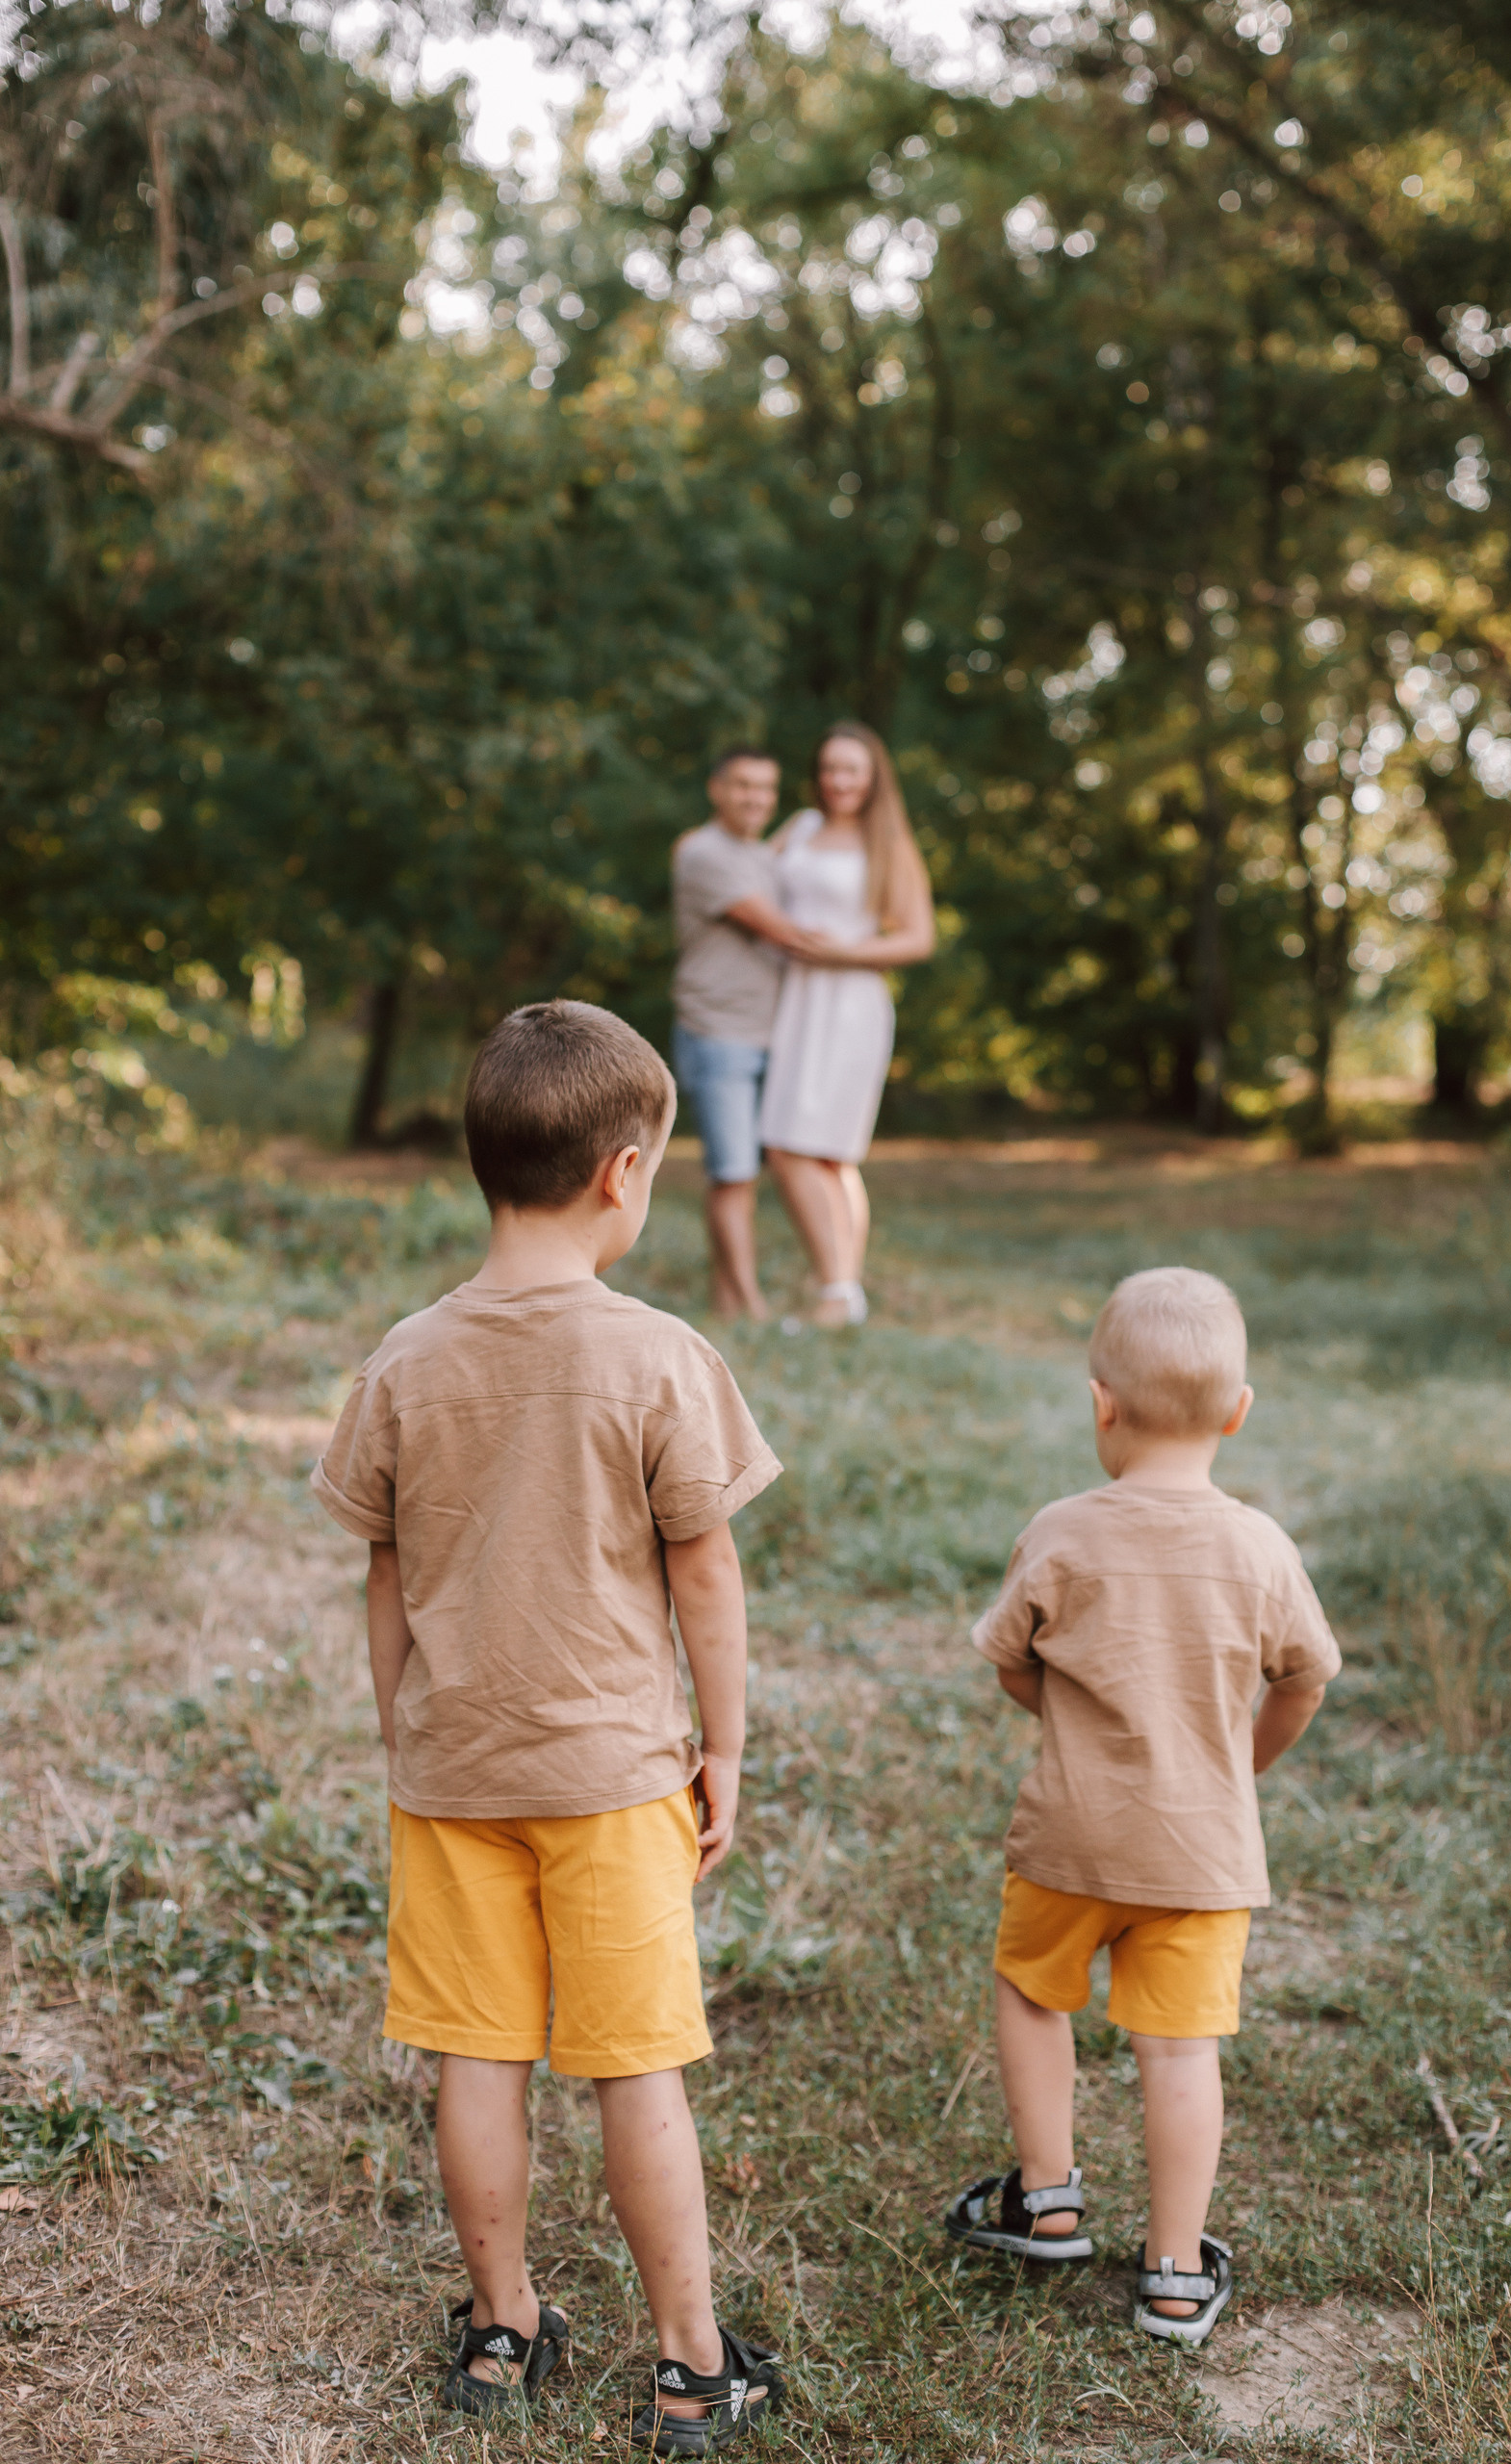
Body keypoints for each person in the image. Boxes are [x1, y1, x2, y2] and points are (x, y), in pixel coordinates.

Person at [310, 1000, 788, 2452]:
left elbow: (384, 1573)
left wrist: (405, 1733)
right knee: (635, 2070)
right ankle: (690, 2364)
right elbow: (705, 1573)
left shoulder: (404, 1358)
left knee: (477, 2057)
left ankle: (502, 2325)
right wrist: (723, 1749)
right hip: (613, 1778)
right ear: (622, 1174)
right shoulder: (659, 1356)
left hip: (453, 1772)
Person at [944, 1268, 1339, 2347]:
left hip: (1068, 1835)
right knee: (1178, 2051)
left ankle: (1046, 2196)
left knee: (1032, 1993)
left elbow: (1011, 1662)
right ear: (1238, 1411)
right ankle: (1171, 2270)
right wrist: (1237, 1762)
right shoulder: (1260, 1548)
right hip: (1201, 1853)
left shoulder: (1061, 1529)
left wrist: (1069, 1718)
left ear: (1100, 1404)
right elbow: (1305, 1680)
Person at [759, 723, 936, 1328]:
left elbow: (918, 937)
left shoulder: (887, 841)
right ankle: (841, 1293)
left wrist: (843, 952)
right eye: (831, 768)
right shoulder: (800, 828)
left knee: (809, 1149)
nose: (839, 780)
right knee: (813, 1152)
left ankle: (836, 1291)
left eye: (852, 770)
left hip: (850, 1001)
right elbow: (750, 874)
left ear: (873, 776)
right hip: (796, 996)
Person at [671, 747, 831, 1321]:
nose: (755, 798)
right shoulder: (704, 853)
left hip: (768, 1033)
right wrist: (877, 952)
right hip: (718, 1031)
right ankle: (753, 1310)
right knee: (733, 1175)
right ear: (716, 789)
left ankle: (726, 1301)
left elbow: (778, 846)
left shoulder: (757, 854)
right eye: (742, 785)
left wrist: (809, 821)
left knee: (741, 1175)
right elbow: (784, 933)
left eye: (766, 788)